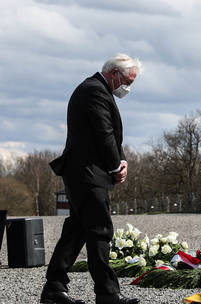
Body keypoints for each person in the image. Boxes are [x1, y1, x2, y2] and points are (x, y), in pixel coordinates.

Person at [41, 54, 141, 304]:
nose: (128, 87)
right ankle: (107, 294)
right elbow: (103, 133)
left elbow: (111, 134)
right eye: (127, 81)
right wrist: (115, 165)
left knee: (76, 231)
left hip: (84, 174)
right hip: (88, 174)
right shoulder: (94, 91)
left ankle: (54, 288)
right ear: (114, 73)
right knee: (100, 230)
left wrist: (122, 159)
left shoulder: (95, 90)